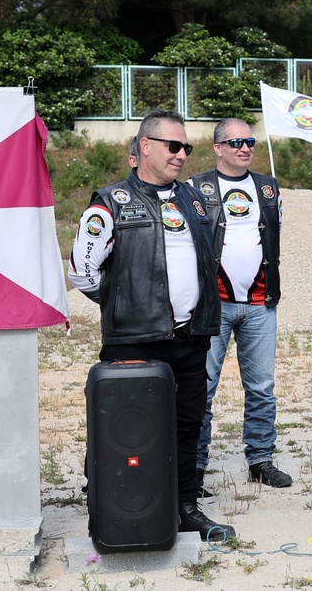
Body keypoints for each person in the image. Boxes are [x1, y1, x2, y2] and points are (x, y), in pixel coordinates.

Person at [67, 108, 235, 543]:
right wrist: (125, 303)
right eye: (173, 146)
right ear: (145, 146)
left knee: (187, 424)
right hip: (134, 340)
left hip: (190, 337)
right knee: (126, 428)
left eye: (187, 148)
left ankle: (184, 507)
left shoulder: (193, 199)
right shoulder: (110, 203)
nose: (182, 155)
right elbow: (82, 272)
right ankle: (113, 508)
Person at [189, 118, 292, 494]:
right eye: (236, 142)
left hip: (261, 304)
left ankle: (260, 461)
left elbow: (274, 236)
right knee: (202, 389)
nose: (245, 148)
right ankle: (194, 467)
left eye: (250, 141)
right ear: (218, 148)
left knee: (262, 388)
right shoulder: (195, 187)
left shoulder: (268, 187)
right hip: (212, 306)